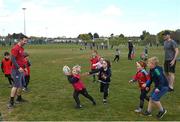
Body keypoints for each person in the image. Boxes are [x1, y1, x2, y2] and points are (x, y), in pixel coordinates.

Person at [7, 34, 29, 109]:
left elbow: (21, 59)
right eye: (24, 41)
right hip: (16, 70)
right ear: (20, 40)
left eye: (26, 41)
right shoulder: (15, 48)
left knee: (21, 85)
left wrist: (25, 67)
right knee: (15, 86)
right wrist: (18, 67)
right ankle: (11, 102)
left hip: (21, 69)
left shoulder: (21, 48)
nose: (26, 42)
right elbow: (12, 59)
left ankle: (19, 98)